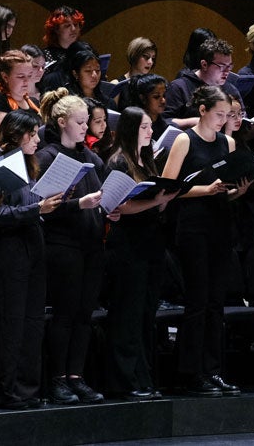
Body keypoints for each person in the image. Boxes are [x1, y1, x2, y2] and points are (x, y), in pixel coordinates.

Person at [161, 85, 251, 397]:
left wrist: (235, 191)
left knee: (216, 302)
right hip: (193, 226)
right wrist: (205, 190)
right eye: (219, 114)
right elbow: (169, 188)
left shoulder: (227, 141)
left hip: (220, 224)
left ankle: (213, 371)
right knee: (197, 301)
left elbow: (227, 182)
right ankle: (190, 372)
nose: (223, 120)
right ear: (203, 111)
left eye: (228, 115)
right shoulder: (185, 140)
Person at [0, 110, 62, 409]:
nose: (38, 139)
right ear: (16, 135)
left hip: (33, 249)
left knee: (32, 323)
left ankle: (27, 389)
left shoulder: (31, 166)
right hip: (8, 254)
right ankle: (5, 391)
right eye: (32, 134)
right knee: (10, 324)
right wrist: (37, 210)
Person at [36, 89, 108, 404]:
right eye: (79, 122)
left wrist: (111, 208)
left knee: (84, 314)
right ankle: (57, 379)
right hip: (62, 245)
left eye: (86, 122)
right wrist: (79, 203)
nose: (84, 127)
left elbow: (100, 198)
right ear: (62, 121)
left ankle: (76, 376)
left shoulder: (92, 159)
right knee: (65, 314)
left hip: (92, 244)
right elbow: (45, 205)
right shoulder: (47, 156)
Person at [103, 107, 178, 399]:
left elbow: (153, 204)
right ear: (131, 128)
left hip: (150, 242)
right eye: (145, 127)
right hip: (127, 245)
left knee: (146, 313)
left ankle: (144, 377)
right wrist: (154, 201)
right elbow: (118, 206)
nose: (150, 132)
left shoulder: (146, 160)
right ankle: (123, 381)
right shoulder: (118, 162)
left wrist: (166, 198)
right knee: (127, 314)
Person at [164, 38, 244, 130]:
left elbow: (243, 117)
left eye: (229, 66)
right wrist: (194, 122)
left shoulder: (231, 89)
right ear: (204, 64)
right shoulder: (179, 87)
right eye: (221, 66)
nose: (227, 71)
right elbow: (164, 120)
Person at [0, 49, 40, 132]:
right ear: (5, 77)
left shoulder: (34, 102)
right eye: (21, 76)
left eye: (29, 76)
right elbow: (5, 137)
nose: (27, 81)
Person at [115, 37, 158, 109]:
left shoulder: (153, 86)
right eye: (146, 57)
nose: (150, 62)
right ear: (135, 55)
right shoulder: (117, 85)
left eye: (153, 58)